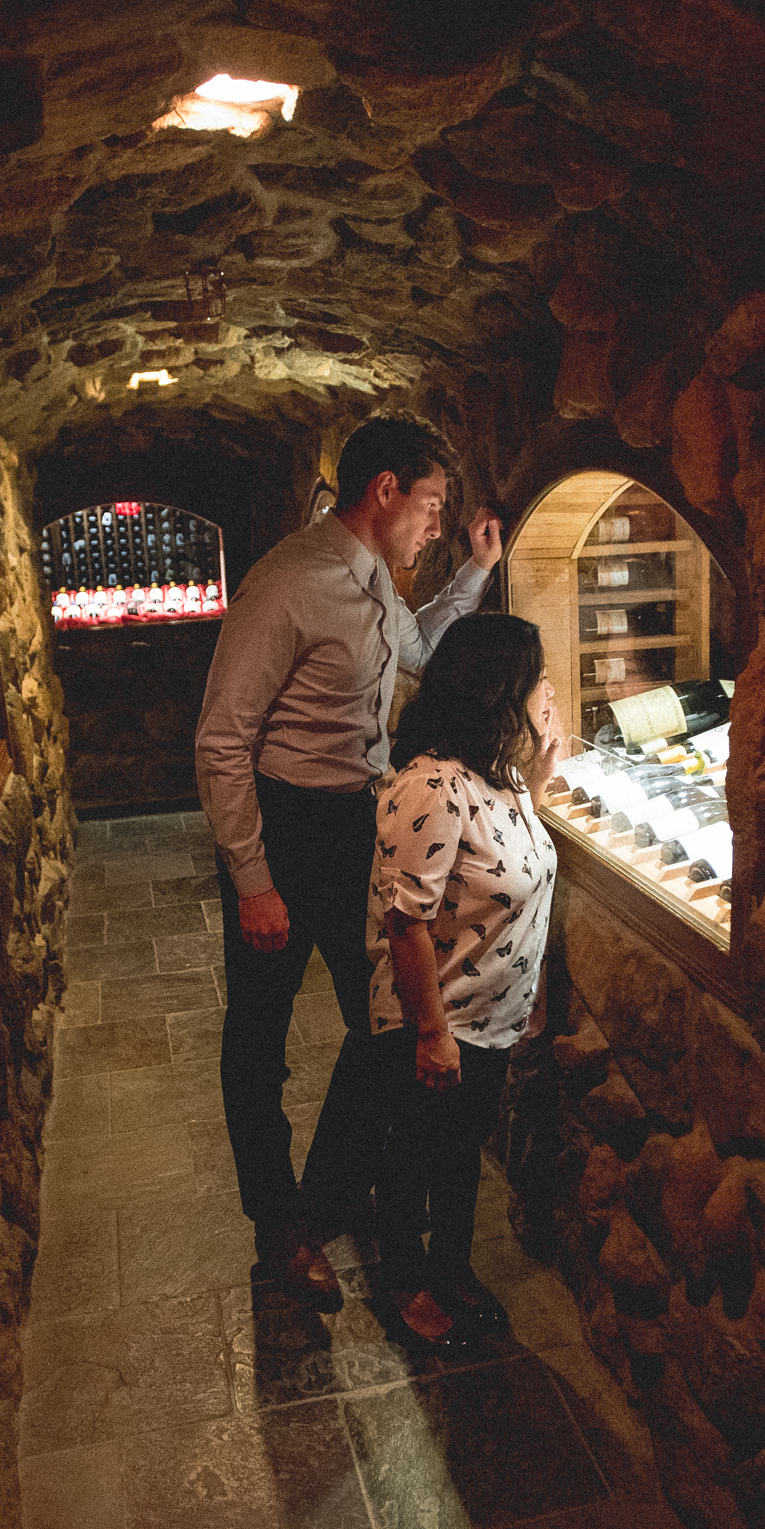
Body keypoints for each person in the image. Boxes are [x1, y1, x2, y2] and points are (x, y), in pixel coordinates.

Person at [193, 416, 504, 1308]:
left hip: (359, 824)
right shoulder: (289, 585)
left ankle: (329, 1191)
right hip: (283, 829)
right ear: (385, 493)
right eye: (433, 506)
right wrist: (254, 879)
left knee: (385, 1024)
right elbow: (221, 741)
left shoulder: (372, 582)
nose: (437, 525)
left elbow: (416, 653)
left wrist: (478, 573)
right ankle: (278, 1227)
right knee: (259, 1042)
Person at [362, 613, 562, 1348]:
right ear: (497, 692)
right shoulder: (430, 785)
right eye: (535, 679)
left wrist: (538, 767)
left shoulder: (498, 776)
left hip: (492, 1017)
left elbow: (516, 873)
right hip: (435, 1019)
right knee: (414, 1154)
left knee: (459, 1154)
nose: (547, 691)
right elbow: (405, 921)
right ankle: (406, 1282)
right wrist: (432, 1034)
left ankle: (450, 1265)